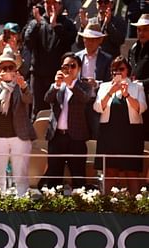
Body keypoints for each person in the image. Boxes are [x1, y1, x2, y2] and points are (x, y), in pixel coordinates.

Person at [0, 49, 35, 196]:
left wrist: (23, 86)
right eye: (3, 68)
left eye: (10, 67)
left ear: (16, 69)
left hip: (19, 136)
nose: (7, 71)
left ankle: (21, 203)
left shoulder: (22, 85)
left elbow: (28, 99)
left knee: (20, 175)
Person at [93, 56, 147, 194]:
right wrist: (111, 92)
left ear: (127, 70)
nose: (118, 73)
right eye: (114, 70)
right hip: (109, 134)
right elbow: (98, 107)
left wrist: (127, 94)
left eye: (121, 69)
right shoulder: (104, 87)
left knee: (132, 171)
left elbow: (142, 108)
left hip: (131, 135)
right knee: (110, 171)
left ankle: (136, 207)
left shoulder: (137, 86)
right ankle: (104, 205)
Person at [41, 52, 91, 189]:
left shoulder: (84, 85)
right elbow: (47, 99)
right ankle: (53, 205)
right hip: (57, 136)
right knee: (54, 176)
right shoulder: (58, 85)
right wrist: (56, 85)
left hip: (76, 138)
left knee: (78, 176)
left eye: (72, 66)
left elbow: (85, 98)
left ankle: (81, 206)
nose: (69, 69)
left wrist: (71, 84)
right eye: (65, 66)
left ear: (79, 69)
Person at [24, 0, 77, 116]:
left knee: (59, 111)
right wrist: (37, 25)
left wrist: (55, 26)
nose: (51, 6)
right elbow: (28, 43)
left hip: (59, 76)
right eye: (48, 3)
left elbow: (70, 40)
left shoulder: (68, 24)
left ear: (61, 5)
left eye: (55, 3)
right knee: (37, 112)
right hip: (38, 77)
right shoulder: (35, 23)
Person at [75, 22, 112, 139]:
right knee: (79, 137)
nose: (88, 42)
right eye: (86, 39)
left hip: (96, 103)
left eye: (92, 39)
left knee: (97, 136)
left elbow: (110, 82)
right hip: (79, 103)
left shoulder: (107, 59)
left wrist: (96, 83)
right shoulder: (77, 57)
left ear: (100, 41)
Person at [128, 13, 149, 142]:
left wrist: (141, 84)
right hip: (134, 97)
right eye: (139, 29)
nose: (141, 33)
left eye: (145, 29)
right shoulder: (133, 48)